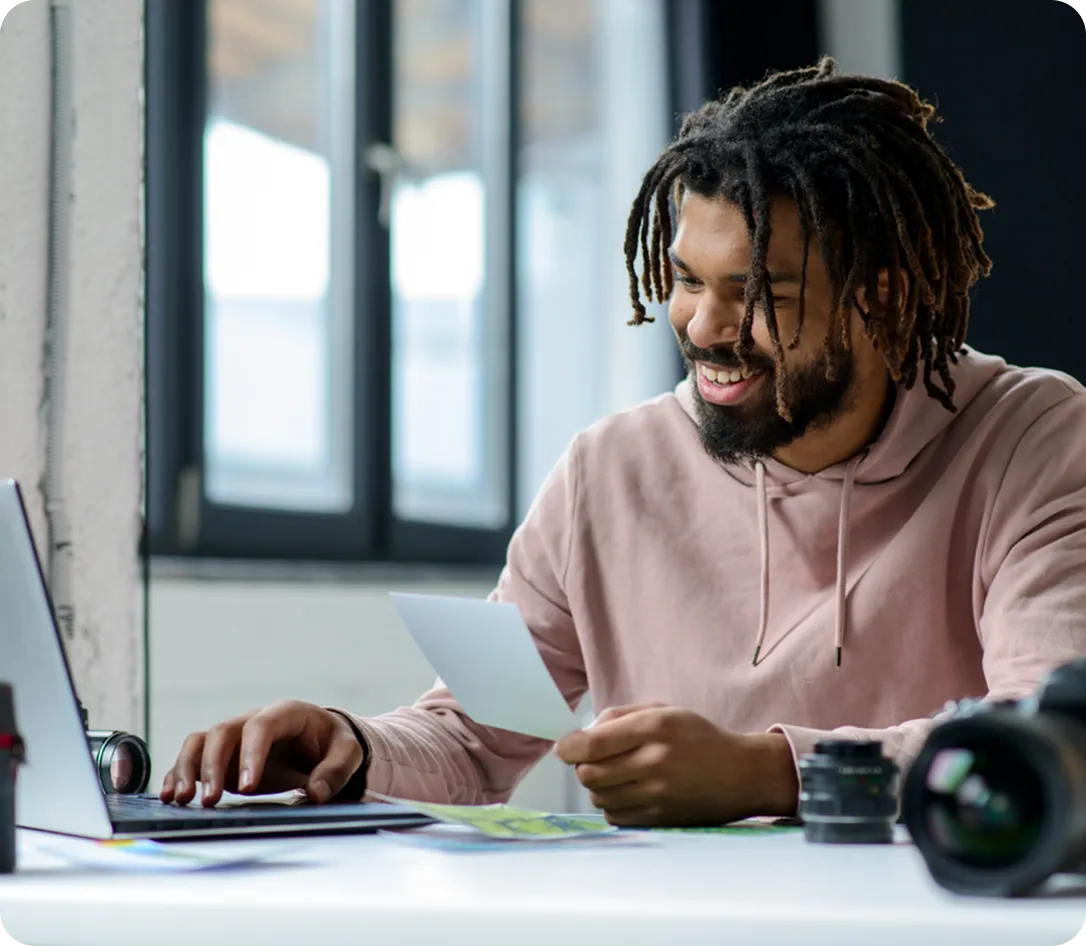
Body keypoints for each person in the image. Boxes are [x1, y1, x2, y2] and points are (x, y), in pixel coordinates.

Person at [160, 57, 1086, 826]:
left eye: (760, 292)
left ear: (878, 294)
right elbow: (476, 738)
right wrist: (347, 749)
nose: (705, 327)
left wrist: (769, 773)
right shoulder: (609, 471)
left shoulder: (1035, 439)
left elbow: (1048, 738)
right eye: (686, 280)